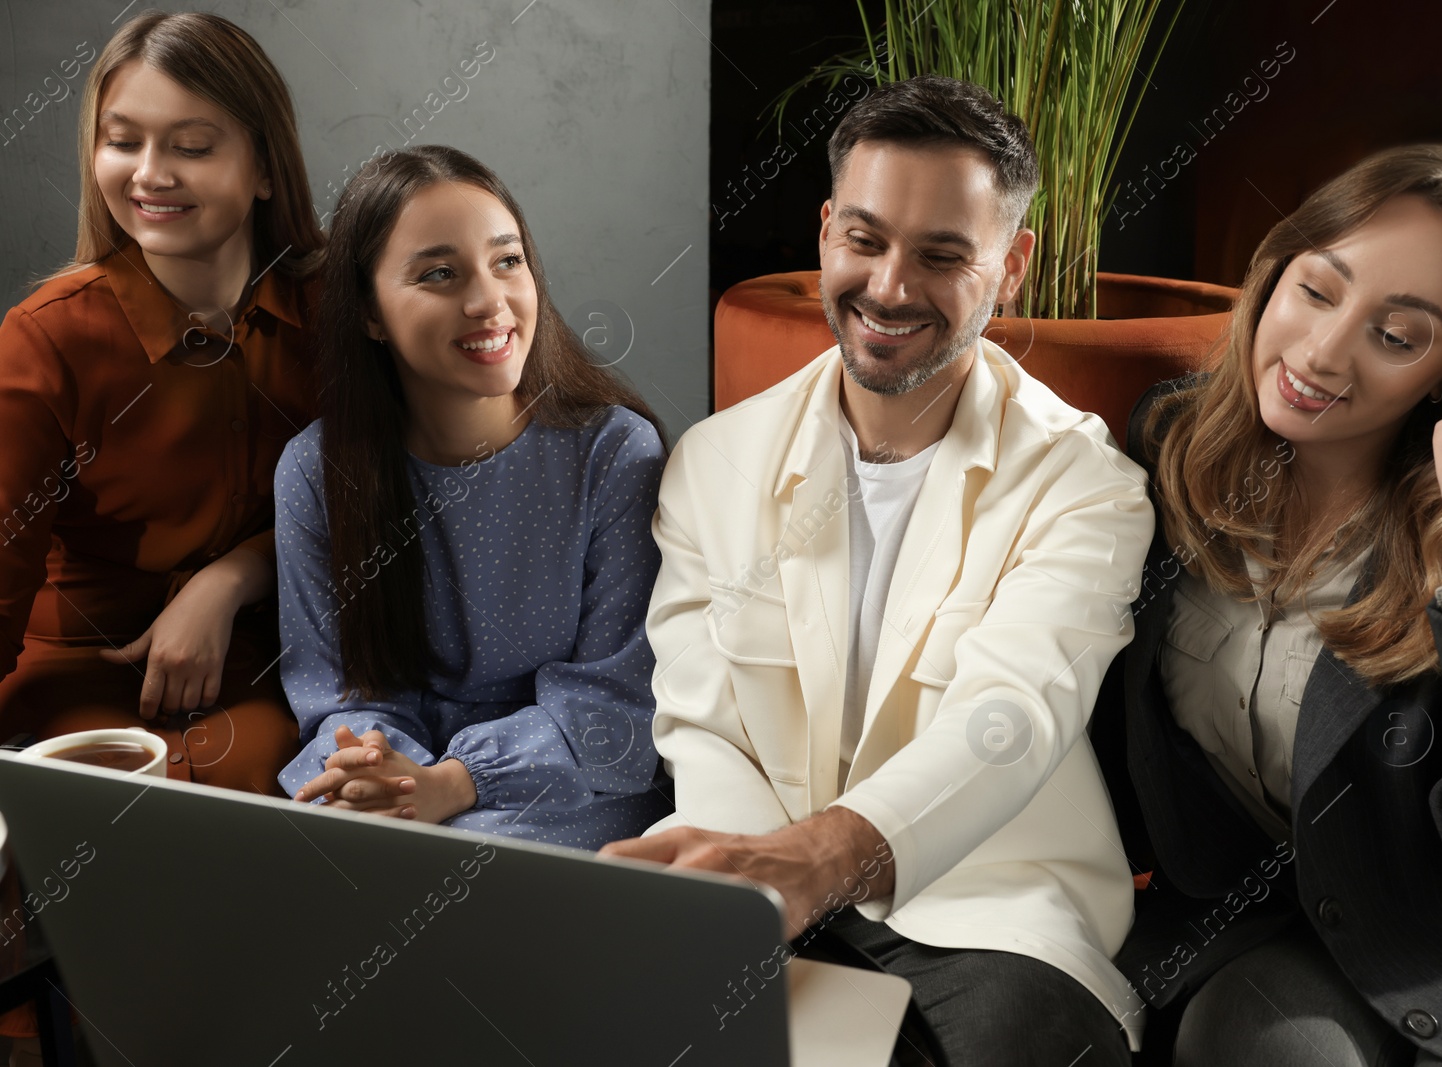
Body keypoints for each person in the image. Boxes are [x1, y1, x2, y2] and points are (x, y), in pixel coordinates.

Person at [601, 75, 1154, 1065]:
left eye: (943, 255)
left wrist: (825, 857)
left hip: (992, 904)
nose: (890, 287)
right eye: (865, 240)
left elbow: (1014, 711)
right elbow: (704, 720)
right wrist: (760, 887)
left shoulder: (1083, 482)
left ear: (1011, 266)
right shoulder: (714, 463)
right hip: (756, 875)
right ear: (824, 235)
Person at [1092, 144, 1442, 1066]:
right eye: (1317, 291)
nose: (1321, 354)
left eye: (1397, 335)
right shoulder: (1168, 442)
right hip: (1260, 929)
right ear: (1275, 273)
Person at [0, 11, 323, 1063]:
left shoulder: (335, 306)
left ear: (264, 163)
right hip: (80, 681)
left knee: (244, 823)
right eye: (123, 137)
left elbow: (402, 498)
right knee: (102, 844)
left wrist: (234, 573)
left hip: (272, 676)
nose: (149, 172)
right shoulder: (49, 337)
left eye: (192, 143)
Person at [275, 145, 672, 849]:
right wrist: (389, 780)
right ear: (369, 311)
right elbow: (347, 700)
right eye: (438, 273)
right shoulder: (314, 471)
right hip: (404, 785)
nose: (489, 300)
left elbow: (618, 706)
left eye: (507, 260)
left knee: (448, 875)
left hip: (577, 790)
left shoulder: (617, 452)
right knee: (311, 862)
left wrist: (455, 783)